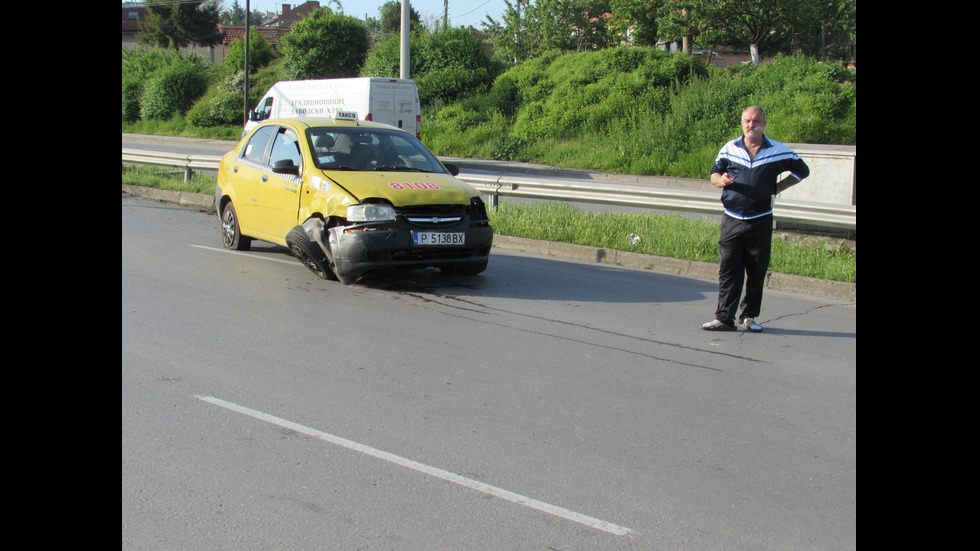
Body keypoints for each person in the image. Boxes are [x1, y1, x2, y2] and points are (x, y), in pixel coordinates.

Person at [702, 106, 810, 332]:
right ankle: (724, 318)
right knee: (729, 269)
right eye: (748, 121)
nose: (752, 125)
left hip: (760, 220)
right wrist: (720, 180)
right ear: (742, 123)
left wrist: (777, 188)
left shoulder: (778, 150)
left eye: (756, 120)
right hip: (732, 219)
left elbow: (802, 170)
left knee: (756, 270)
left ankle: (749, 317)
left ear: (764, 123)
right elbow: (713, 174)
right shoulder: (730, 148)